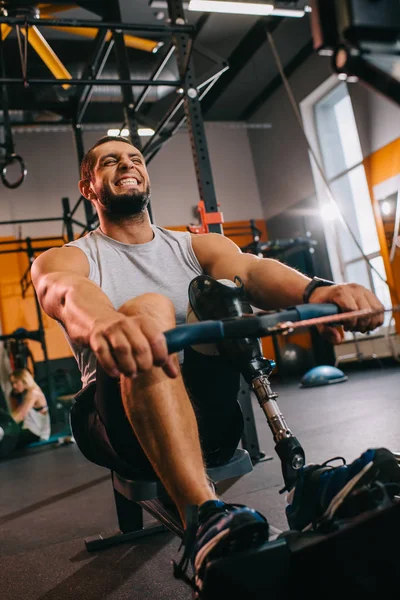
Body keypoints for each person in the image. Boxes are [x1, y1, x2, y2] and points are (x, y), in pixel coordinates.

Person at [31, 135, 393, 592]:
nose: (127, 164)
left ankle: (302, 483)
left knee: (221, 292)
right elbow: (61, 290)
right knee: (149, 310)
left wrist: (318, 292)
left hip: (213, 420)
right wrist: (105, 323)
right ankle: (204, 520)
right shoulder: (68, 256)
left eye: (135, 158)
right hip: (115, 428)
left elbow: (253, 270)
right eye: (110, 161)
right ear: (89, 185)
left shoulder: (193, 247)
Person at [9, 368, 51, 448]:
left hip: (37, 433)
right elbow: (18, 412)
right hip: (31, 431)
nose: (14, 386)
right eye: (12, 383)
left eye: (16, 382)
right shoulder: (28, 393)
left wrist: (3, 427)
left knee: (7, 440)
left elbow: (21, 415)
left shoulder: (33, 393)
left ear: (24, 380)